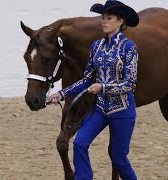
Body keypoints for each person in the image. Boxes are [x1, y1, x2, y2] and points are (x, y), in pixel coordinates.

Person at [47, 0, 139, 179]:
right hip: (100, 110)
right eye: (103, 18)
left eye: (109, 18)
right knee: (80, 144)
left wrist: (103, 87)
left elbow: (130, 84)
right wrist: (62, 93)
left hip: (123, 110)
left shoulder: (129, 48)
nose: (104, 21)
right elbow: (87, 79)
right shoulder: (97, 46)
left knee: (119, 159)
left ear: (120, 22)